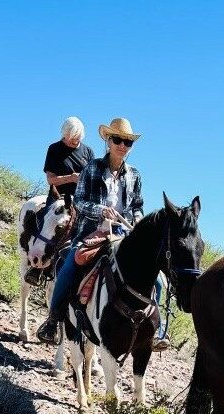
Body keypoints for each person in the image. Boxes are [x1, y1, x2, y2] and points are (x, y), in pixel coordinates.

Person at [36, 117, 144, 345]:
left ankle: (154, 331)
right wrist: (102, 210)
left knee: (155, 275)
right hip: (91, 231)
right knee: (72, 262)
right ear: (108, 141)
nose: (123, 146)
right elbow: (81, 202)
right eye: (118, 140)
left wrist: (137, 221)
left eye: (128, 142)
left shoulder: (135, 175)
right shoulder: (92, 167)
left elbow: (136, 207)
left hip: (122, 235)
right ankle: (53, 320)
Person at [43, 117, 95, 204]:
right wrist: (70, 178)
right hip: (58, 198)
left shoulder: (88, 151)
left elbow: (93, 180)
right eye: (71, 139)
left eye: (77, 138)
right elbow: (50, 180)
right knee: (44, 216)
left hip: (82, 200)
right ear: (64, 135)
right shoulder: (54, 149)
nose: (75, 142)